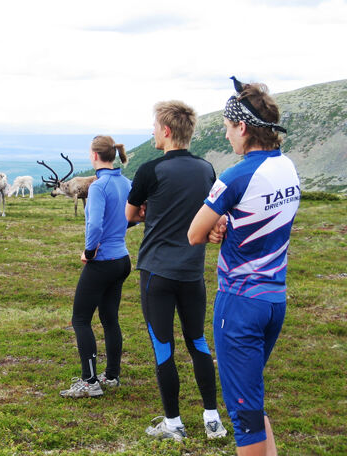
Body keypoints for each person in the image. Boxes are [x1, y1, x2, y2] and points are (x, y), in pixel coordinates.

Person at [188, 77, 299, 455]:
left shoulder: (236, 175)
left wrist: (218, 221)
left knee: (244, 415)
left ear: (244, 127)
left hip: (239, 303)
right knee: (251, 399)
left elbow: (194, 233)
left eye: (227, 127)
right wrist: (228, 221)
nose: (226, 135)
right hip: (274, 299)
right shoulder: (287, 167)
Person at [126, 101, 226, 441]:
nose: (152, 132)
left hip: (157, 272)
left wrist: (148, 212)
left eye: (155, 127)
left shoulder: (149, 171)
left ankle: (174, 423)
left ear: (166, 131)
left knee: (163, 346)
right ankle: (213, 420)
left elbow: (130, 216)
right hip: (192, 272)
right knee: (198, 341)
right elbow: (211, 213)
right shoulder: (206, 169)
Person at [59, 135, 133, 398]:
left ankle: (90, 382)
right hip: (122, 259)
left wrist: (89, 252)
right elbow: (136, 215)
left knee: (80, 319)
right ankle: (111, 376)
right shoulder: (126, 183)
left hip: (102, 262)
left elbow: (95, 224)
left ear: (94, 156)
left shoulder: (99, 187)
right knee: (110, 319)